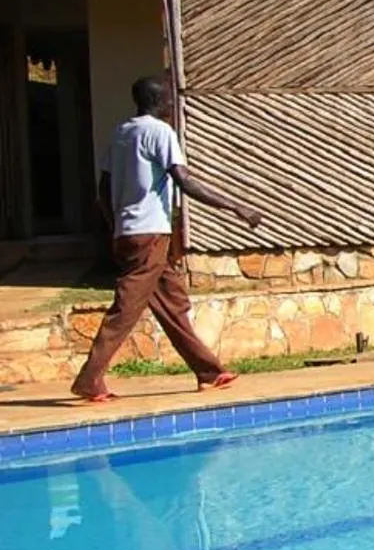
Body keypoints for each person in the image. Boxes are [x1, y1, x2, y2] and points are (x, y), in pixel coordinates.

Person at [72, 75, 264, 404]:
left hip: (130, 233)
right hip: (149, 233)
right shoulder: (160, 132)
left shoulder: (121, 132)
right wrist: (236, 206)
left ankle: (208, 371)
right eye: (170, 101)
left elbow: (103, 188)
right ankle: (89, 379)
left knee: (172, 302)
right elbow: (184, 181)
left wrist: (115, 222)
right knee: (126, 308)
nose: (173, 106)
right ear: (158, 102)